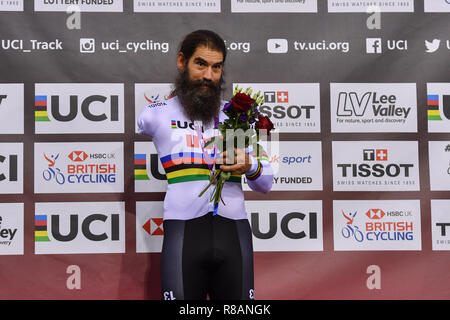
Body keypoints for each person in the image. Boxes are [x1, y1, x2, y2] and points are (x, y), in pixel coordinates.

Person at [137, 30, 273, 300]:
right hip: (183, 234)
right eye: (200, 64)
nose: (209, 76)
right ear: (181, 62)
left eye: (216, 67)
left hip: (233, 233)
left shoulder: (237, 116)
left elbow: (266, 183)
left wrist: (250, 166)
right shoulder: (155, 114)